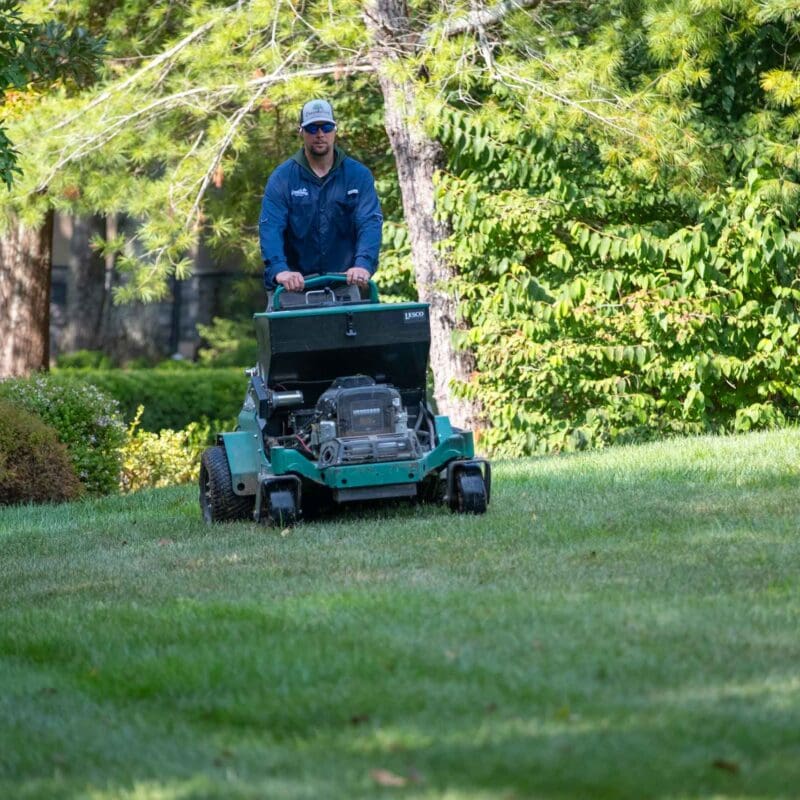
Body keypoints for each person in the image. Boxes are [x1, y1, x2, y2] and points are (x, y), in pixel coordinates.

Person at [259, 99, 383, 294]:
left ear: (335, 129)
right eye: (311, 128)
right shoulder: (282, 178)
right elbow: (270, 227)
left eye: (326, 127)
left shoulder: (358, 176)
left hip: (343, 286)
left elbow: (369, 223)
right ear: (301, 132)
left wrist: (363, 265)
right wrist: (280, 270)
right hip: (292, 290)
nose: (319, 134)